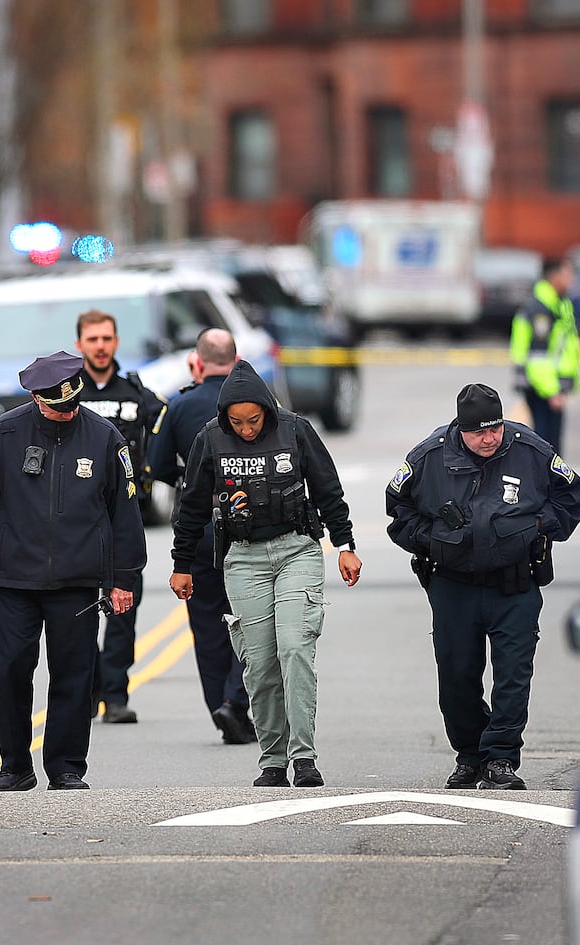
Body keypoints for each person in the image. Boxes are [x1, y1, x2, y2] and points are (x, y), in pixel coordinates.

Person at [0, 350, 147, 792]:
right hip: (13, 583)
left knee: (74, 676)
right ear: (36, 398)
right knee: (8, 672)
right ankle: (15, 765)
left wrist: (122, 578)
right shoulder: (3, 433)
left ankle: (66, 767)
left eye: (71, 405)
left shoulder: (104, 437)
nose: (65, 414)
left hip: (77, 583)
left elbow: (125, 514)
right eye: (55, 407)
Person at [169, 359, 360, 789]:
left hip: (297, 550)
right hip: (244, 559)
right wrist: (182, 564)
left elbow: (328, 489)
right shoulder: (210, 439)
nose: (246, 429)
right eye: (236, 422)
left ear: (266, 411)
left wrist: (346, 546)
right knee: (259, 664)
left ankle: (304, 757)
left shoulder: (294, 430)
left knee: (294, 649)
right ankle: (272, 760)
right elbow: (192, 506)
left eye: (253, 420)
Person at [387, 383, 580, 790]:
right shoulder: (429, 456)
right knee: (457, 677)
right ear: (461, 428)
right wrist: (432, 538)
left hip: (514, 584)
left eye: (494, 429)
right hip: (453, 585)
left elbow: (571, 498)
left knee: (513, 675)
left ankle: (501, 760)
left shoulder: (530, 449)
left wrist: (534, 528)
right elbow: (397, 510)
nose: (489, 438)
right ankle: (471, 755)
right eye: (479, 432)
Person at [150, 329, 254, 745]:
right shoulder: (256, 405)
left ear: (197, 360)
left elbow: (155, 466)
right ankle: (236, 702)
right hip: (246, 526)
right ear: (237, 359)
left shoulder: (178, 404)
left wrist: (191, 481)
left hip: (197, 529)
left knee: (207, 626)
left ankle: (219, 708)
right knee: (250, 622)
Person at [74, 309, 166, 724]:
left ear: (115, 342)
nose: (100, 345)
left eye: (107, 338)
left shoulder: (135, 393)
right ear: (80, 344)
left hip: (125, 519)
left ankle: (116, 694)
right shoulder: (66, 391)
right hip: (76, 522)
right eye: (92, 339)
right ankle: (90, 688)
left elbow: (168, 430)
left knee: (123, 611)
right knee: (76, 612)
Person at [510, 256, 580, 453]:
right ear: (554, 277)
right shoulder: (540, 310)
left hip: (550, 385)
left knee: (551, 445)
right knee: (545, 446)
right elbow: (538, 358)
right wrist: (552, 391)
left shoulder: (558, 303)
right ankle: (546, 484)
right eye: (567, 274)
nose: (571, 279)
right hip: (543, 387)